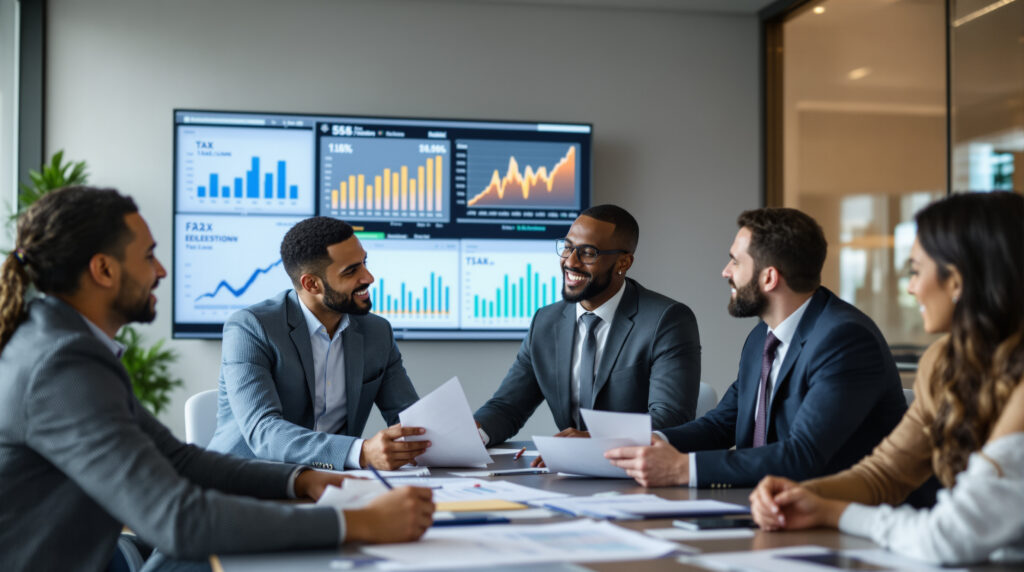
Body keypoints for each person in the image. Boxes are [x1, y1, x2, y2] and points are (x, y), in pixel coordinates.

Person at [0, 187, 433, 571]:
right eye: (149, 256)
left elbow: (178, 459)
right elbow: (178, 519)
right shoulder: (62, 363)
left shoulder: (62, 343)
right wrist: (357, 522)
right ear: (104, 270)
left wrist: (301, 479)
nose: (162, 271)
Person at [749, 192, 1024, 565]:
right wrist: (799, 494)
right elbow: (885, 474)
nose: (910, 287)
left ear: (956, 281)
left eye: (915, 271)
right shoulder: (944, 362)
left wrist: (833, 512)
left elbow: (948, 538)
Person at [606, 207, 906, 488]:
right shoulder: (762, 335)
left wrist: (684, 468)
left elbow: (804, 456)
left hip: (840, 519)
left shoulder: (844, 340)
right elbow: (723, 424)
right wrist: (645, 442)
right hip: (768, 506)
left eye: (735, 261)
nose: (726, 271)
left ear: (769, 277)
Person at [208, 216, 428, 471]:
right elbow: (263, 431)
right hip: (250, 482)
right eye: (351, 271)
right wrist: (362, 452)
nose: (369, 277)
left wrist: (449, 442)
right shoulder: (251, 327)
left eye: (364, 263)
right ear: (311, 284)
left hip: (333, 480)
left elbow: (411, 420)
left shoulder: (377, 332)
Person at [473, 204, 701, 447]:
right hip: (569, 474)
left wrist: (594, 441)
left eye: (588, 253)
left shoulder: (667, 320)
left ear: (623, 262)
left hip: (636, 474)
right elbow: (508, 407)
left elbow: (670, 419)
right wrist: (467, 435)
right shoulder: (546, 321)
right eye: (568, 248)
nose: (571, 262)